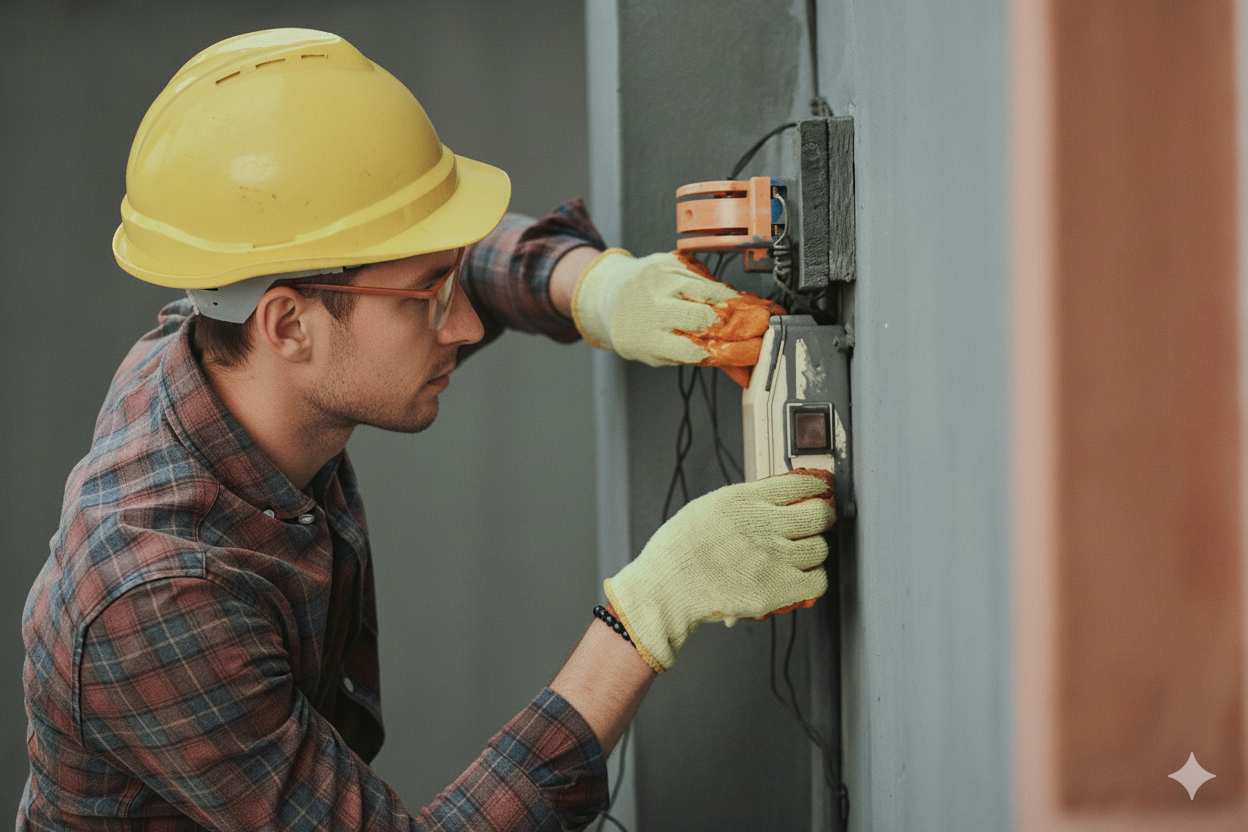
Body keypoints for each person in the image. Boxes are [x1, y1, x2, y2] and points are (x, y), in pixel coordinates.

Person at [20, 29, 836, 831]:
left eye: (449, 280)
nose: (467, 325)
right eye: (430, 298)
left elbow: (415, 261)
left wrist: (591, 288)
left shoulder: (222, 350)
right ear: (287, 326)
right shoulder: (155, 598)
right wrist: (650, 611)